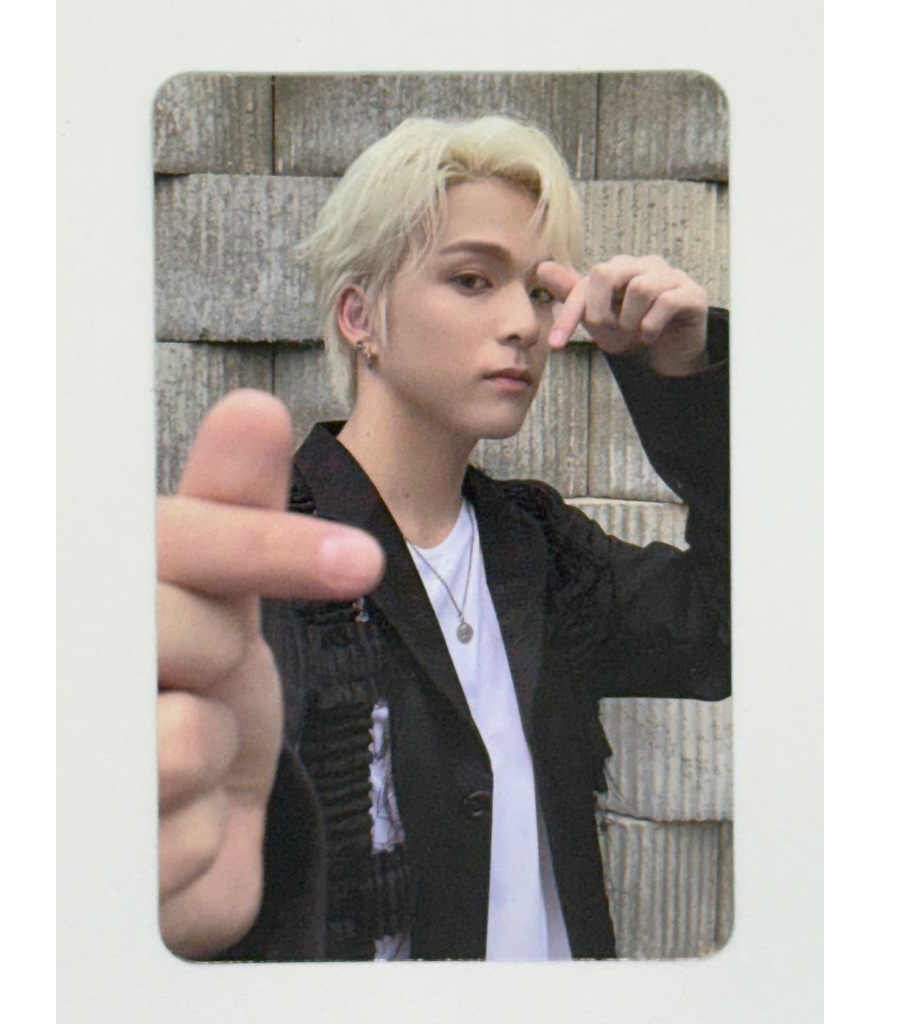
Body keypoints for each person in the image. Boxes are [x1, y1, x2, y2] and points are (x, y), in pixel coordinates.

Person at [156, 116, 729, 962]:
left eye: (540, 292)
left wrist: (684, 377)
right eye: (471, 280)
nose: (524, 324)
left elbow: (729, 627)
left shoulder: (542, 550)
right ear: (361, 316)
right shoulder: (269, 566)